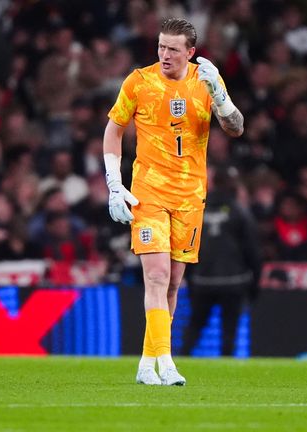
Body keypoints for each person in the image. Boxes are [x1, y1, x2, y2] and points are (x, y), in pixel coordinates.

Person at [102, 18, 244, 386]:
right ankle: (167, 361)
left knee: (172, 284)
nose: (165, 54)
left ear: (191, 52)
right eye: (161, 47)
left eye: (173, 49)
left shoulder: (206, 78)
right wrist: (114, 184)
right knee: (157, 274)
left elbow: (235, 127)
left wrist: (222, 98)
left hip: (191, 195)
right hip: (148, 191)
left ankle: (147, 364)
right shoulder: (140, 81)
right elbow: (114, 129)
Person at [182, 166, 261, 357]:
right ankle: (225, 365)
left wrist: (190, 277)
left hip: (203, 280)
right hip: (234, 281)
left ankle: (179, 362)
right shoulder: (239, 211)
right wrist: (255, 283)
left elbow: (187, 244)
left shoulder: (199, 208)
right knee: (229, 330)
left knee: (195, 326)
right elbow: (253, 250)